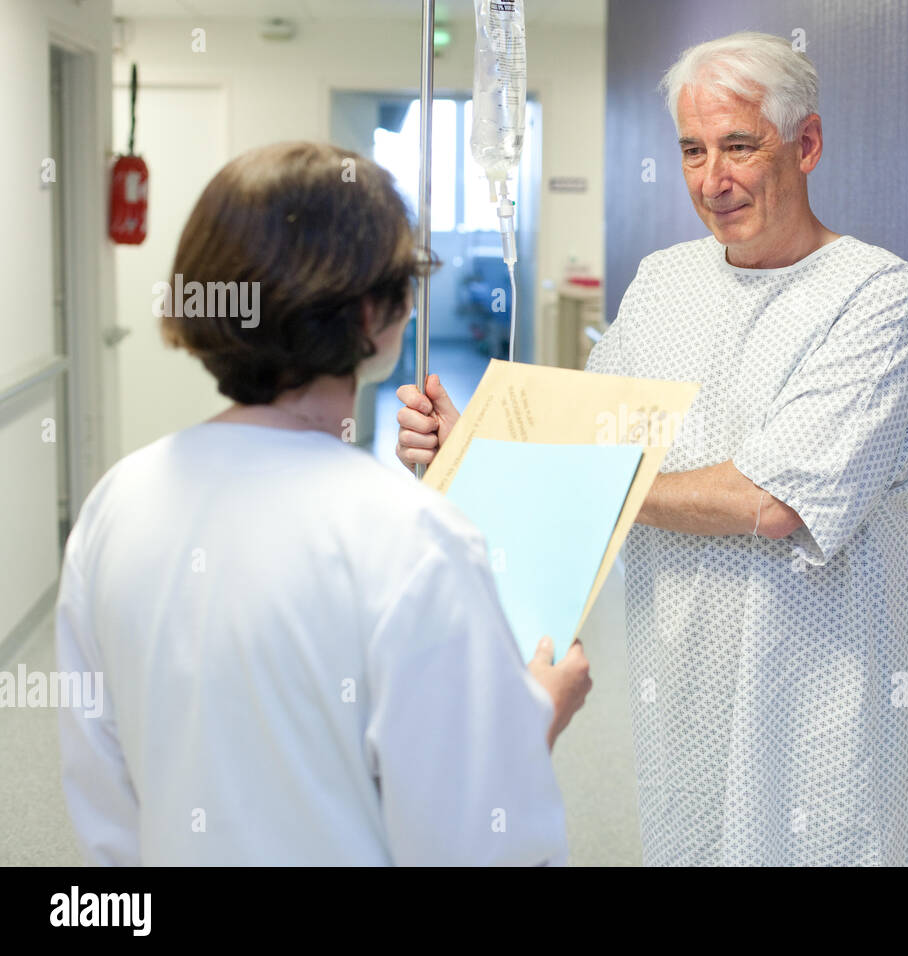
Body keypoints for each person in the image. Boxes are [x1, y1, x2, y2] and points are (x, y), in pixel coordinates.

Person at [397, 32, 908, 866]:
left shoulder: (875, 298)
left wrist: (573, 470)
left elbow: (772, 503)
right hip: (681, 698)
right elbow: (575, 441)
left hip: (816, 712)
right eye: (692, 150)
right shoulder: (662, 285)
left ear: (807, 145)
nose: (711, 180)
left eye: (738, 146)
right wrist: (461, 454)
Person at [56, 141, 591, 866]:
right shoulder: (411, 538)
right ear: (376, 314)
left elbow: (107, 806)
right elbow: (481, 844)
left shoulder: (117, 504)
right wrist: (537, 716)